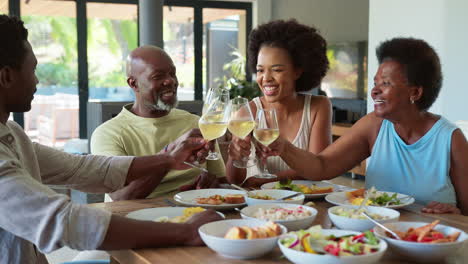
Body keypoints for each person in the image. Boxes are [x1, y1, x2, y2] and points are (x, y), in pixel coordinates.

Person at [0, 15, 222, 264]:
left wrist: (167, 159)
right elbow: (62, 222)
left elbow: (82, 168)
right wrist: (186, 232)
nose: (38, 80)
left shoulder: (12, 133)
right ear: (6, 77)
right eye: (32, 70)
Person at [262, 37, 468, 215]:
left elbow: (466, 211)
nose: (374, 92)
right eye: (375, 83)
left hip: (431, 244)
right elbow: (322, 166)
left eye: (385, 83)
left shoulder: (450, 139)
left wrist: (455, 213)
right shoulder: (374, 125)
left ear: (415, 93)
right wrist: (284, 147)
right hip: (376, 238)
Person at [90, 45, 226, 201]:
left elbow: (222, 182)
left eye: (172, 74)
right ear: (133, 84)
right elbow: (121, 197)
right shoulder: (108, 134)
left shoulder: (195, 123)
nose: (170, 81)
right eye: (158, 76)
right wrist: (169, 159)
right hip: (136, 220)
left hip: (195, 212)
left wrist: (212, 182)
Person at [226, 19, 332, 187]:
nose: (266, 78)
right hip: (260, 204)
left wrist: (265, 180)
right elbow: (235, 180)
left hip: (307, 202)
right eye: (260, 70)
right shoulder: (248, 112)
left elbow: (319, 168)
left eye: (277, 70)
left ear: (297, 71)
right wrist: (235, 155)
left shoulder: (318, 107)